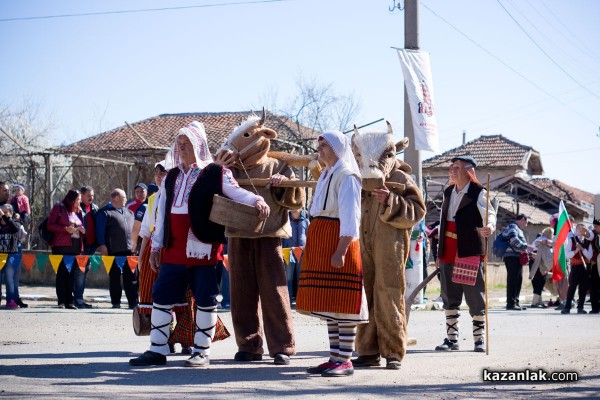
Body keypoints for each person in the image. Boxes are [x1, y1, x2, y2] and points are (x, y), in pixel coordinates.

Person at [129, 121, 269, 368]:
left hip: (202, 247)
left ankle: (202, 351)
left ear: (198, 145)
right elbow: (162, 214)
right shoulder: (171, 176)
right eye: (179, 144)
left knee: (206, 298)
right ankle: (157, 349)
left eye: (187, 143)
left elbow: (236, 193)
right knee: (161, 294)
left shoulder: (215, 172)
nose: (181, 147)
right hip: (173, 248)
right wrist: (157, 246)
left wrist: (256, 200)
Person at [296, 130, 368, 377]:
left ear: (337, 148)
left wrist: (341, 250)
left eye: (324, 145)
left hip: (338, 240)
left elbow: (351, 217)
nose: (319, 149)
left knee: (343, 303)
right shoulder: (326, 174)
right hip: (322, 239)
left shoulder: (347, 175)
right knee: (330, 302)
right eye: (319, 144)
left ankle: (345, 360)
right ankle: (334, 357)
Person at [434, 156, 495, 353]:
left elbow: (490, 213)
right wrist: (438, 253)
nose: (452, 170)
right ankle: (452, 339)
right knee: (449, 295)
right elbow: (443, 222)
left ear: (468, 171)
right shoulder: (448, 192)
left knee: (474, 295)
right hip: (447, 249)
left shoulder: (479, 192)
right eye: (451, 167)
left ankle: (479, 340)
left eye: (457, 167)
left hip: (468, 248)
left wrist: (489, 227)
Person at [136, 160, 195, 354]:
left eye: (164, 173)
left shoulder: (185, 194)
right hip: (155, 249)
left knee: (185, 296)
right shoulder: (153, 199)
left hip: (178, 247)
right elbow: (146, 231)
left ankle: (187, 339)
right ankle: (166, 338)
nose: (161, 177)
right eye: (157, 174)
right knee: (160, 296)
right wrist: (141, 258)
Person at [95, 189, 136, 309]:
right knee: (115, 278)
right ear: (116, 198)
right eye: (124, 197)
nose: (126, 199)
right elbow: (100, 230)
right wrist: (102, 245)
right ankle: (116, 302)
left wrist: (135, 245)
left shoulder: (130, 213)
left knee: (131, 278)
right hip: (113, 251)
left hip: (130, 250)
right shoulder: (104, 213)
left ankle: (133, 302)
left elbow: (134, 231)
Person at [47, 189, 85, 310]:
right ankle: (61, 301)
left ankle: (70, 301)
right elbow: (50, 225)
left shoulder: (78, 211)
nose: (80, 201)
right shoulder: (59, 208)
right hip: (61, 246)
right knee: (62, 274)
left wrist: (83, 230)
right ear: (72, 199)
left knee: (72, 275)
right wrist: (65, 229)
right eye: (78, 199)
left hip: (75, 247)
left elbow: (81, 226)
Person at [72, 186, 98, 309]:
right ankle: (77, 299)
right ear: (81, 196)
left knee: (84, 271)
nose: (91, 198)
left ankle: (78, 298)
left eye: (92, 195)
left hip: (91, 246)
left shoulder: (95, 208)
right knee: (79, 273)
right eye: (88, 195)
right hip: (81, 246)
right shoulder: (76, 209)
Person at [501, 214, 533, 310]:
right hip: (511, 257)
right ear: (522, 219)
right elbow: (514, 240)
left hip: (517, 257)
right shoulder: (512, 227)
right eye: (526, 222)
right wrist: (526, 246)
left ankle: (516, 302)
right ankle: (510, 304)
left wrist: (528, 253)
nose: (526, 225)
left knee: (518, 279)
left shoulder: (517, 228)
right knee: (513, 280)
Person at [561, 224, 592, 314]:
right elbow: (567, 254)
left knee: (583, 288)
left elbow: (589, 256)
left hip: (585, 267)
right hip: (575, 267)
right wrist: (575, 251)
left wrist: (582, 249)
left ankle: (580, 307)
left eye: (582, 228)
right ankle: (567, 307)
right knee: (572, 287)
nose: (580, 230)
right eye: (578, 228)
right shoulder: (572, 240)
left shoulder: (587, 242)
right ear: (576, 230)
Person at [281, 209, 309, 303]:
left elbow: (309, 236)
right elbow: (281, 235)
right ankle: (287, 299)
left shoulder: (306, 221)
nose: (294, 208)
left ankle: (300, 300)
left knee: (301, 277)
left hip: (303, 253)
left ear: (301, 208)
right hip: (288, 253)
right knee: (288, 277)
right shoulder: (285, 220)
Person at [0, 204, 23, 309]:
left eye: (5, 213)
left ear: (11, 213)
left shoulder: (16, 223)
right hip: (0, 255)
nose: (2, 215)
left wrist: (4, 217)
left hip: (11, 255)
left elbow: (15, 229)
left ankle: (11, 300)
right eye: (1, 212)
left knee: (9, 278)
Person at [529, 228, 554, 308]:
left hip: (532, 262)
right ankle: (534, 303)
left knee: (536, 282)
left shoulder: (538, 239)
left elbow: (533, 248)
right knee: (540, 282)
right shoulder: (546, 241)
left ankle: (539, 301)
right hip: (540, 263)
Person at [589, 219, 600, 314]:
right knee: (594, 286)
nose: (594, 228)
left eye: (596, 226)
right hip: (595, 263)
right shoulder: (593, 235)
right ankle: (595, 308)